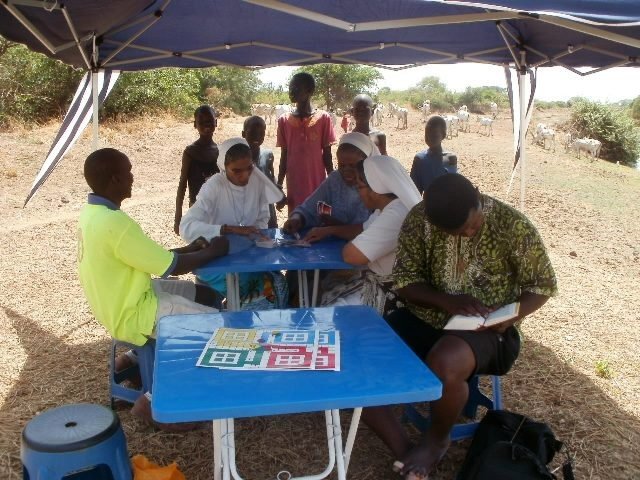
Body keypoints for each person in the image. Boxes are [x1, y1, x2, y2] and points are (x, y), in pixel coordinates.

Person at [362, 174, 558, 480]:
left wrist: (512, 316)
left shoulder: (512, 225)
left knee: (446, 360)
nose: (468, 233)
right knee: (364, 361)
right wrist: (446, 301)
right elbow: (405, 282)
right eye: (457, 231)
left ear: (478, 195)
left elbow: (543, 284)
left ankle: (436, 441)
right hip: (425, 316)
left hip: (487, 329)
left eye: (474, 225)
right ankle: (405, 453)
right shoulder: (419, 220)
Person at [78, 148, 229, 428]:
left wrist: (190, 248)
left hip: (125, 298)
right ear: (115, 179)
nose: (133, 177)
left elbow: (149, 257)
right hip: (134, 311)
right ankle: (152, 401)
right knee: (213, 328)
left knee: (207, 295)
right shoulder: (115, 223)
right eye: (128, 173)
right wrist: (213, 250)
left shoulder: (93, 213)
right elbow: (172, 266)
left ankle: (133, 361)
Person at [179, 137, 288, 310]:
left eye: (249, 168)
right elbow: (186, 227)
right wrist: (227, 230)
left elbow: (262, 219)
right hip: (215, 259)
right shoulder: (214, 186)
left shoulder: (256, 182)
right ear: (224, 167)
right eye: (236, 171)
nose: (244, 175)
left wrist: (255, 235)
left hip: (247, 257)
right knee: (221, 308)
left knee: (275, 285)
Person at [314, 155, 421, 315]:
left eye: (360, 187)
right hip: (381, 282)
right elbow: (362, 229)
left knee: (332, 313)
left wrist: (353, 242)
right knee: (326, 289)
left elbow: (351, 256)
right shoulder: (387, 208)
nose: (359, 193)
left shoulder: (397, 214)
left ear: (376, 188)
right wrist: (329, 230)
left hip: (393, 294)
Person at [282, 132, 373, 237]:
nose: (346, 171)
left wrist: (333, 229)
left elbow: (370, 230)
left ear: (366, 163)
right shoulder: (335, 179)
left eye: (352, 166)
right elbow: (310, 207)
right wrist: (297, 219)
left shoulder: (376, 187)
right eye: (342, 165)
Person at [276, 72, 336, 215]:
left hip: (317, 182)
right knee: (296, 220)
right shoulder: (284, 120)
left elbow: (327, 155)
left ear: (309, 91)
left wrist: (334, 183)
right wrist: (279, 185)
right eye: (290, 88)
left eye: (296, 88)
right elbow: (284, 155)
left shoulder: (323, 119)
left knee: (318, 218)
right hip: (295, 183)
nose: (291, 91)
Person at [174, 105, 219, 234]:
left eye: (210, 121)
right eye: (201, 122)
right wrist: (178, 217)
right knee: (199, 243)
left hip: (218, 207)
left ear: (216, 122)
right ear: (195, 124)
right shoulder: (190, 152)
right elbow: (182, 184)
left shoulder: (220, 151)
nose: (206, 125)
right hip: (197, 207)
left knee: (217, 243)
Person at [242, 115, 278, 228]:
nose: (257, 137)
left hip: (267, 206)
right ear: (243, 134)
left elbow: (271, 178)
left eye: (261, 133)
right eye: (252, 133)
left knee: (269, 235)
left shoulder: (267, 155)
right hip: (246, 207)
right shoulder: (238, 158)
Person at [410, 115, 458, 195]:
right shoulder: (420, 159)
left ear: (443, 135)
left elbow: (454, 186)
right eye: (427, 133)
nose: (429, 137)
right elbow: (415, 192)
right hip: (429, 206)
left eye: (434, 134)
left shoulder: (451, 158)